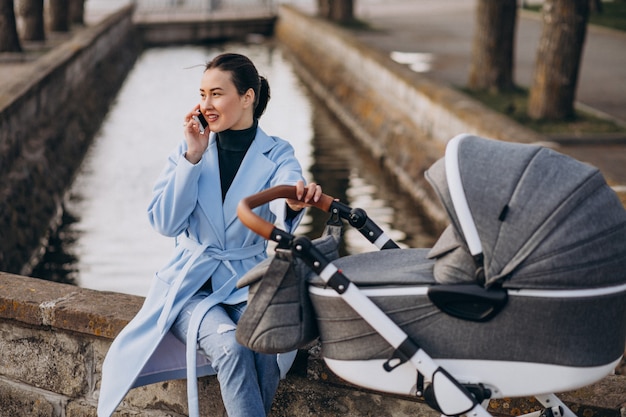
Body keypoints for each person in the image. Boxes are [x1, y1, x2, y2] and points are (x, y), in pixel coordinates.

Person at [97, 52, 322, 417]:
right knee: (231, 348)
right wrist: (193, 157)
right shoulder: (187, 151)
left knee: (266, 345)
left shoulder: (277, 151)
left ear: (248, 97)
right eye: (202, 95)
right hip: (189, 285)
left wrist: (295, 203)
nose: (206, 105)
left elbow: (286, 192)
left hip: (245, 280)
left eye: (216, 94)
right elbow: (166, 224)